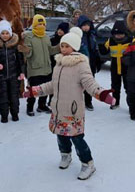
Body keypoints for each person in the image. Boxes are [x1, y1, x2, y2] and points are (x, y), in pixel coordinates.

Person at [23, 27, 115, 180]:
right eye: (62, 45)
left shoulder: (81, 64)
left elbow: (90, 84)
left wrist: (102, 94)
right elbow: (53, 85)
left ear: (75, 47)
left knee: (77, 138)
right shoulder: (59, 63)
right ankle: (65, 155)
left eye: (67, 46)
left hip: (72, 110)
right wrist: (34, 91)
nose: (64, 49)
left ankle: (88, 164)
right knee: (61, 135)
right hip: (58, 109)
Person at [21, 14, 60, 116]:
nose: (42, 26)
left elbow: (50, 51)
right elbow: (28, 54)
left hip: (47, 68)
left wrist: (58, 47)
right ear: (34, 25)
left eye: (43, 24)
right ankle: (30, 107)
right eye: (39, 24)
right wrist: (26, 50)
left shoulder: (46, 37)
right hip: (35, 69)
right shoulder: (29, 36)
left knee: (46, 89)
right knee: (33, 90)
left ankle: (41, 105)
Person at [0, 20, 25, 123]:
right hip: (1, 76)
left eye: (7, 33)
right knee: (3, 97)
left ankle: (15, 114)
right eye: (3, 33)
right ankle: (4, 115)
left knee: (14, 97)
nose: (5, 35)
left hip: (14, 76)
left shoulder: (15, 46)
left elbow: (20, 61)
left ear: (10, 33)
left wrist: (22, 72)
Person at [104, 20, 133, 109]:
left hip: (127, 66)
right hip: (115, 66)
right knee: (115, 85)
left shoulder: (131, 40)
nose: (118, 35)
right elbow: (105, 50)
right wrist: (101, 49)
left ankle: (131, 104)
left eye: (121, 34)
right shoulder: (110, 40)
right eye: (116, 34)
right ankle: (115, 102)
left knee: (128, 86)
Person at [77, 14, 101, 111]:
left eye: (88, 25)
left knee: (90, 83)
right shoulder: (77, 36)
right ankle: (78, 102)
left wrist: (98, 60)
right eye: (84, 25)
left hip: (91, 64)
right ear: (80, 26)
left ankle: (88, 101)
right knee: (78, 84)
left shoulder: (92, 35)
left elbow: (95, 48)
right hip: (80, 64)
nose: (86, 27)